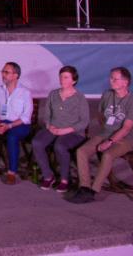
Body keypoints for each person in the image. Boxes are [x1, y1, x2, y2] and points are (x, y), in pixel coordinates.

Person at [67, 67, 133, 204]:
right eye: (110, 77)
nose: (111, 81)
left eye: (115, 78)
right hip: (105, 133)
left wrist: (109, 141)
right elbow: (101, 115)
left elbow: (126, 128)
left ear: (125, 82)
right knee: (81, 151)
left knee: (107, 155)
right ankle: (84, 187)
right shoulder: (107, 95)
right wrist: (106, 131)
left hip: (125, 139)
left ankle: (94, 190)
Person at [32, 65, 89, 193]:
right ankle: (48, 175)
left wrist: (66, 130)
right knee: (37, 142)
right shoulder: (53, 94)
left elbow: (84, 121)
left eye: (65, 77)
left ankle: (64, 179)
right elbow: (47, 114)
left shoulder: (80, 98)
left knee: (60, 146)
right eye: (61, 76)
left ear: (73, 80)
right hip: (53, 128)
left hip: (73, 132)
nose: (62, 79)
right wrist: (49, 126)